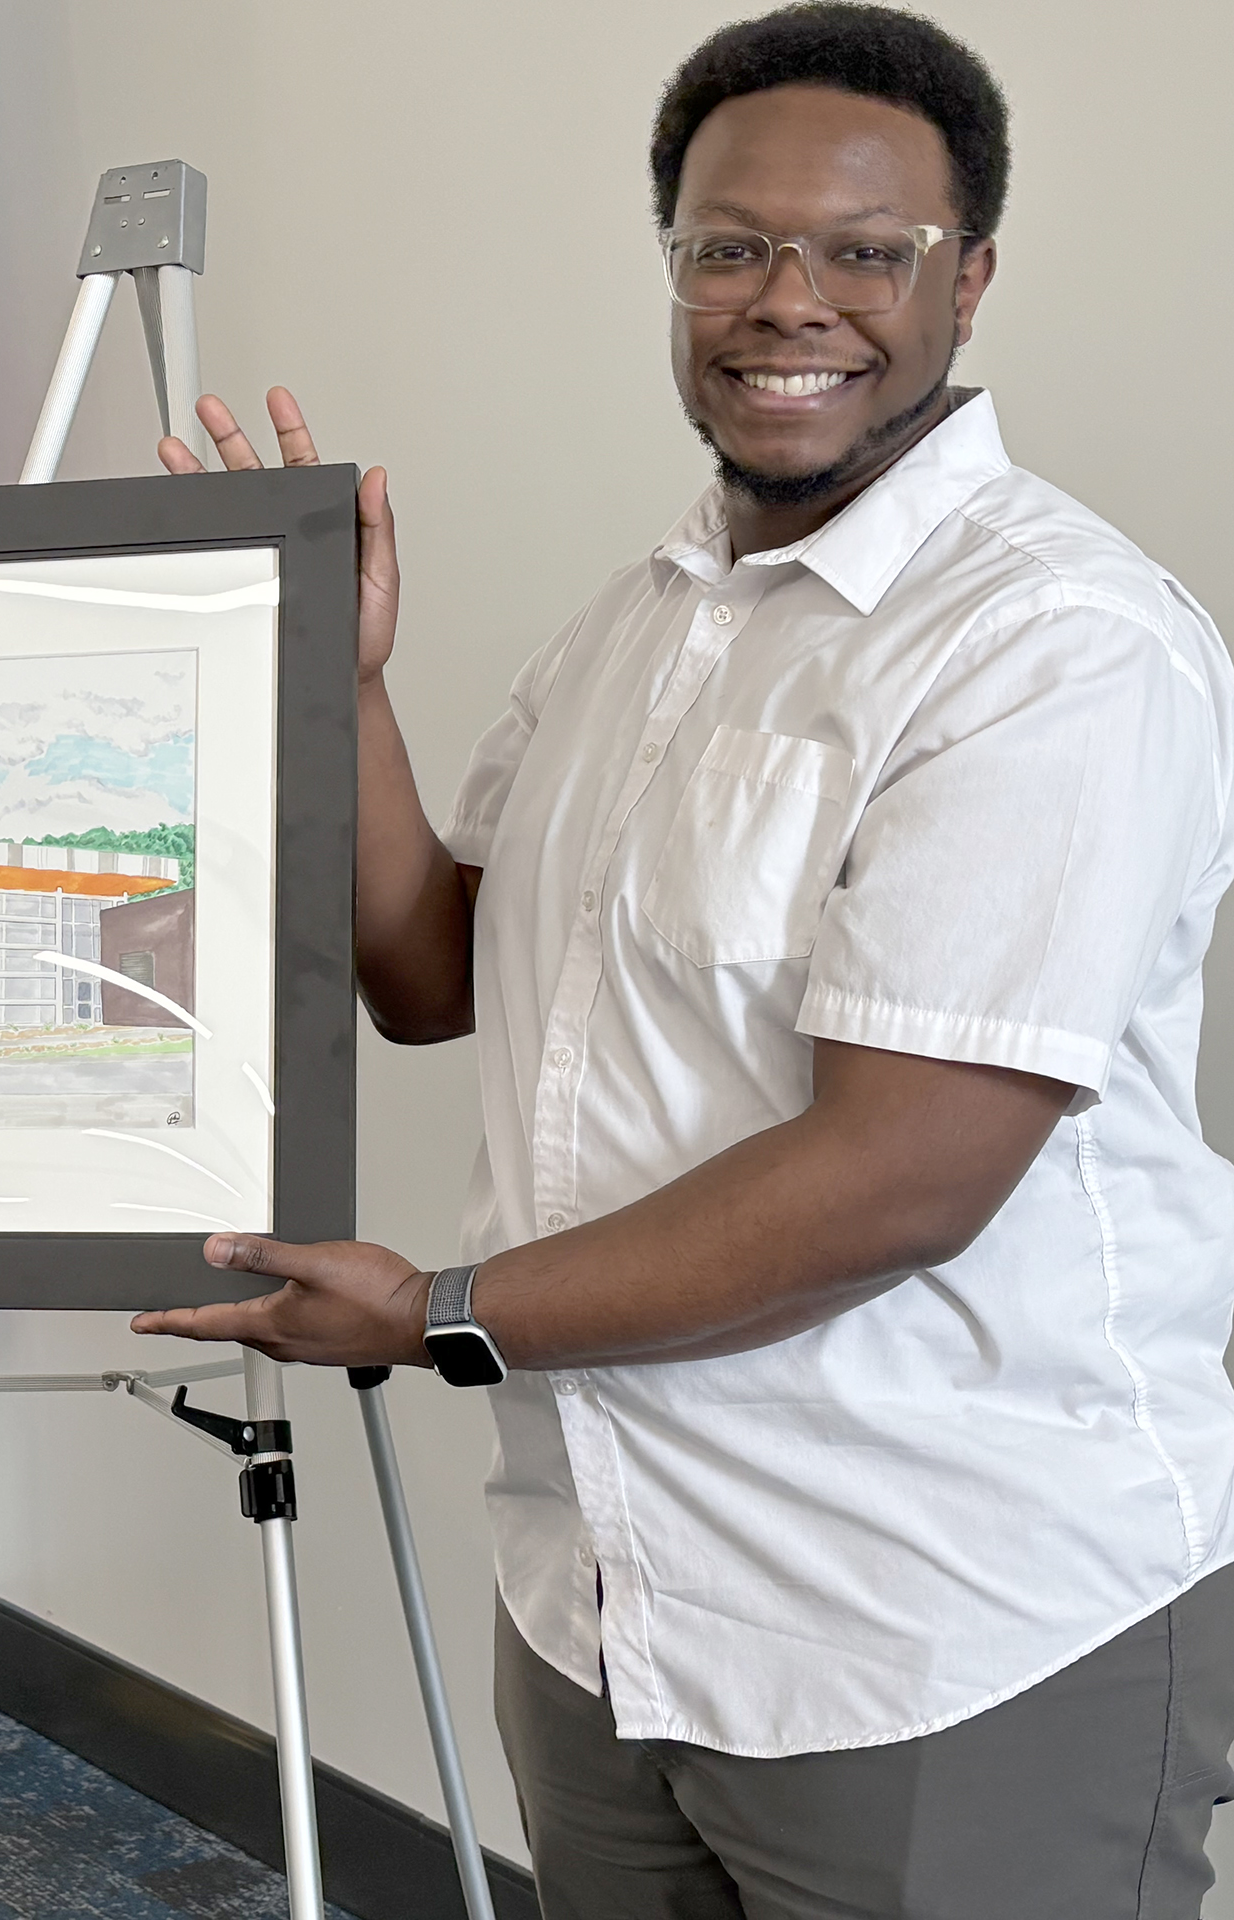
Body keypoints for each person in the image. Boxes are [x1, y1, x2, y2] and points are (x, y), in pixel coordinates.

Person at [137, 5, 1234, 1913]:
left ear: (967, 281)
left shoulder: (1056, 646)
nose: (787, 300)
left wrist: (437, 1315)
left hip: (940, 1623)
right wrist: (340, 680)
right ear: (674, 269)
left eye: (863, 252)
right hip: (605, 1591)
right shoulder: (645, 620)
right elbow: (437, 971)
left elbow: (900, 1173)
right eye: (729, 246)